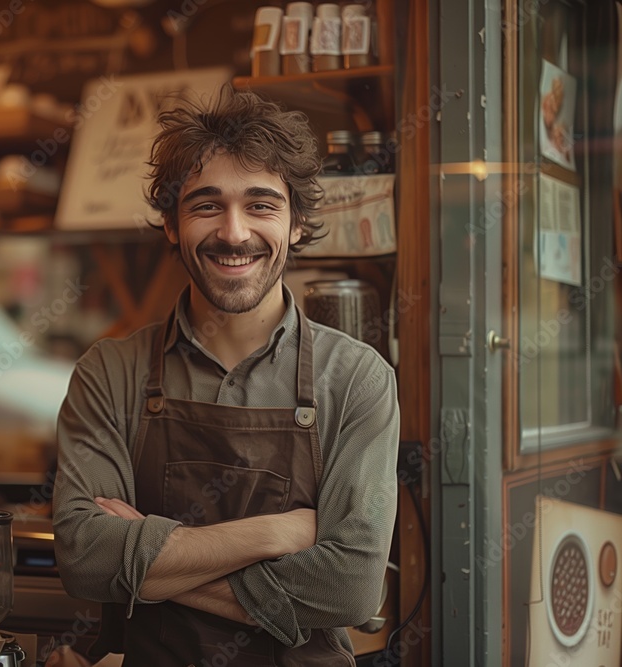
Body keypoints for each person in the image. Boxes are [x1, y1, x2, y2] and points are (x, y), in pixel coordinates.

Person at [52, 86, 399, 667]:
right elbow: (86, 559)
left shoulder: (358, 379)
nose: (234, 233)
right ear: (171, 224)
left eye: (261, 205)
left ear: (295, 225)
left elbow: (351, 588)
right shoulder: (111, 372)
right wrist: (276, 534)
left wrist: (145, 568)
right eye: (206, 205)